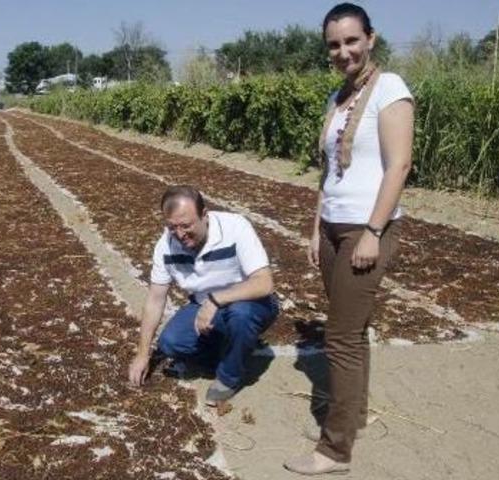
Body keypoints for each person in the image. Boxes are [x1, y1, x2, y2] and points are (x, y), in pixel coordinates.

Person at [283, 3, 415, 476]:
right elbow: (329, 172)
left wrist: (374, 232)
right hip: (334, 228)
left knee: (338, 337)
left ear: (371, 39)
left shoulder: (390, 88)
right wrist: (315, 227)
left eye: (351, 41)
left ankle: (335, 450)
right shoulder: (336, 98)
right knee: (351, 334)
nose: (343, 52)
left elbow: (399, 165)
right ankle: (352, 418)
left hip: (366, 228)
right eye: (334, 45)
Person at [127, 185, 279, 405]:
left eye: (186, 225)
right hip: (203, 305)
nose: (180, 234)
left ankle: (228, 378)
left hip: (250, 302)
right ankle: (231, 349)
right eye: (172, 227)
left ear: (204, 215)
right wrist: (142, 353)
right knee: (171, 343)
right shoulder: (165, 247)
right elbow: (155, 300)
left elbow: (264, 283)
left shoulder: (235, 227)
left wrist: (215, 300)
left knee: (241, 315)